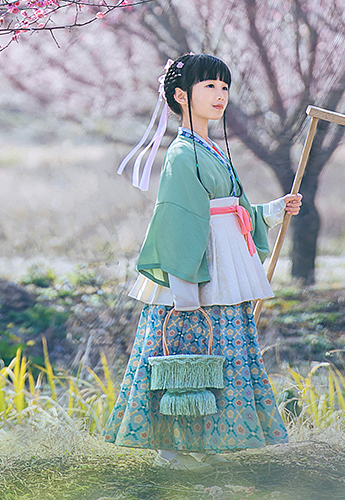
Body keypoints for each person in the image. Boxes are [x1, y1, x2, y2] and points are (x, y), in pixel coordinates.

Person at [103, 51, 302, 467]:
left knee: (215, 354)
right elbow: (178, 221)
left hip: (223, 260)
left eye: (224, 87)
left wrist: (273, 209)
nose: (220, 95)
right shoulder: (182, 154)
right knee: (187, 354)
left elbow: (234, 208)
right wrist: (183, 288)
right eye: (209, 86)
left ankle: (202, 443)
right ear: (180, 95)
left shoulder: (211, 149)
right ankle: (172, 448)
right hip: (197, 270)